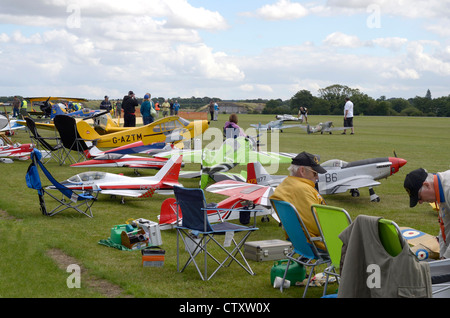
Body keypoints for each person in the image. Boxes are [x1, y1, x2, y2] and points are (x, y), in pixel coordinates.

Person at [270, 151, 327, 251]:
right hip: (317, 244)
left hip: (298, 242)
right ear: (302, 171)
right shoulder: (304, 190)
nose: (317, 177)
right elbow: (318, 226)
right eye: (315, 173)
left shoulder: (284, 185)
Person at [404, 168, 450, 259]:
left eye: (419, 197)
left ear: (427, 185)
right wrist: (442, 258)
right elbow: (445, 227)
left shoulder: (448, 188)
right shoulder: (440, 191)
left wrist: (446, 257)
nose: (420, 202)